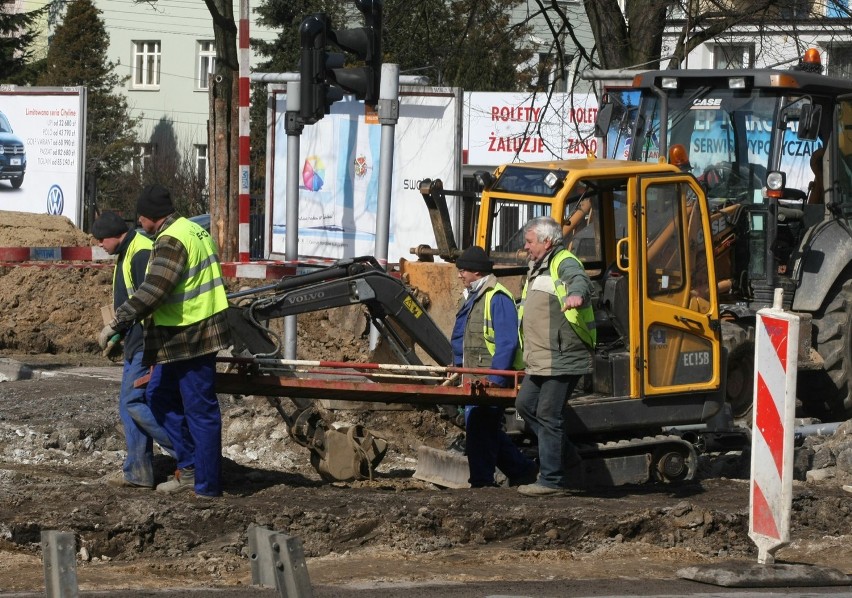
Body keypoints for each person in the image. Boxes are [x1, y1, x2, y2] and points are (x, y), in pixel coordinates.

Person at [98, 184, 231, 498]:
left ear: (151, 217)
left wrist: (118, 322)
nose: (139, 224)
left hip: (192, 336)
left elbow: (154, 290)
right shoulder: (193, 230)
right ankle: (190, 466)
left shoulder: (171, 240)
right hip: (181, 337)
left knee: (200, 410)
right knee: (157, 396)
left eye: (141, 218)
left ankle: (206, 485)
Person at [92, 211, 174, 489]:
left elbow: (147, 300)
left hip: (145, 341)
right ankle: (138, 471)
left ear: (116, 235)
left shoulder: (139, 253)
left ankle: (185, 455)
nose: (100, 245)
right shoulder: (127, 253)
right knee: (129, 407)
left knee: (132, 402)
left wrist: (134, 339)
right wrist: (120, 334)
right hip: (135, 340)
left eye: (102, 239)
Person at [515, 216, 595, 497]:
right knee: (525, 405)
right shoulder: (536, 268)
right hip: (540, 357)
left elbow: (579, 280)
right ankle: (567, 456)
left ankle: (551, 480)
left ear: (546, 241)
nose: (526, 247)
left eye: (529, 241)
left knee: (549, 414)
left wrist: (576, 295)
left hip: (562, 355)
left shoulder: (563, 261)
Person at [450, 246, 537, 488]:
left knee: (479, 430)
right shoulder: (473, 296)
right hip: (474, 376)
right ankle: (522, 470)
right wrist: (457, 368)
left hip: (488, 379)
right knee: (484, 430)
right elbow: (464, 338)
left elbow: (506, 343)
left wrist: (496, 380)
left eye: (463, 270)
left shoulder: (497, 297)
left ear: (477, 272)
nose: (460, 275)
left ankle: (481, 482)